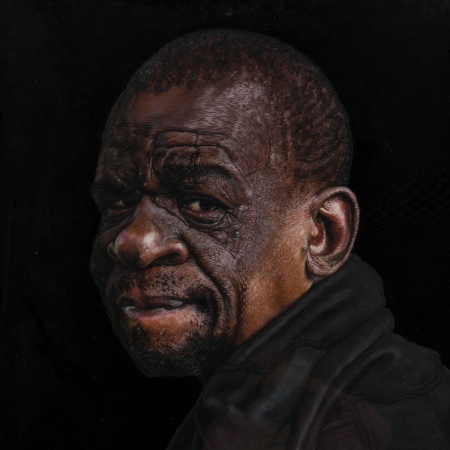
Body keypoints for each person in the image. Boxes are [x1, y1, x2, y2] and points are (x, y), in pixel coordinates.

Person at [90, 29, 450, 449]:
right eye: (118, 202)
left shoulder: (379, 421)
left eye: (203, 203)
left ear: (324, 234)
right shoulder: (259, 406)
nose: (133, 241)